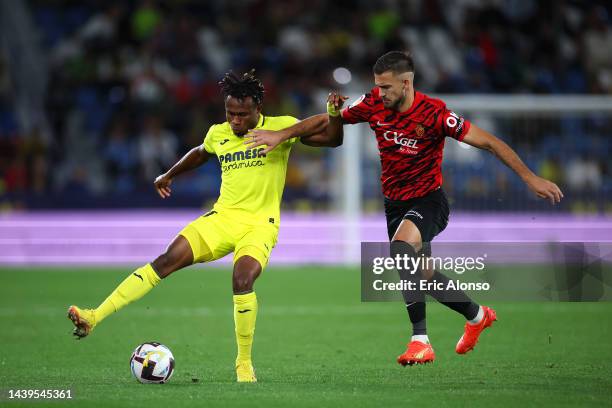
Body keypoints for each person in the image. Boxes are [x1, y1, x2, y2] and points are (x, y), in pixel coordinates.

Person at [244, 51, 563, 366]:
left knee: (400, 249)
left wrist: (530, 177)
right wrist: (283, 133)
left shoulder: (436, 114)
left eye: (385, 87)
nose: (378, 93)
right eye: (377, 86)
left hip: (429, 201)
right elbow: (328, 121)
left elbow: (491, 142)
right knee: (421, 273)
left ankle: (420, 341)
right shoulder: (372, 104)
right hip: (394, 205)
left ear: (406, 83)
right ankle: (477, 316)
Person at [67, 70, 341, 382]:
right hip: (222, 218)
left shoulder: (280, 126)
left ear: (258, 109)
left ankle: (244, 365)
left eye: (242, 114)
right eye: (230, 113)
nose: (235, 121)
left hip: (259, 225)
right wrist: (168, 174)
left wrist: (325, 117)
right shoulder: (219, 133)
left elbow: (331, 136)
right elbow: (200, 153)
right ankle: (93, 316)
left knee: (243, 278)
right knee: (166, 260)